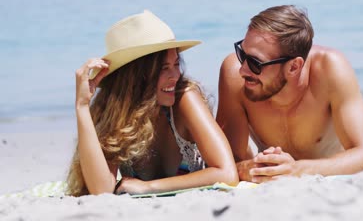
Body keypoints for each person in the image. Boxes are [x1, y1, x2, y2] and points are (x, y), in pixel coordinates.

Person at [216, 5, 363, 183]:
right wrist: (248, 168)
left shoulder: (330, 67)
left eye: (256, 63)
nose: (243, 70)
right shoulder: (235, 75)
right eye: (242, 54)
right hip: (287, 166)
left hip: (339, 158)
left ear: (294, 67)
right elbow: (226, 160)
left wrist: (296, 170)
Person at [67, 10, 238, 196]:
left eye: (176, 64)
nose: (176, 75)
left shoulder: (185, 98)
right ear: (135, 76)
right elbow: (102, 190)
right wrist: (82, 107)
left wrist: (148, 187)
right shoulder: (115, 112)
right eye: (164, 68)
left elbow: (227, 174)